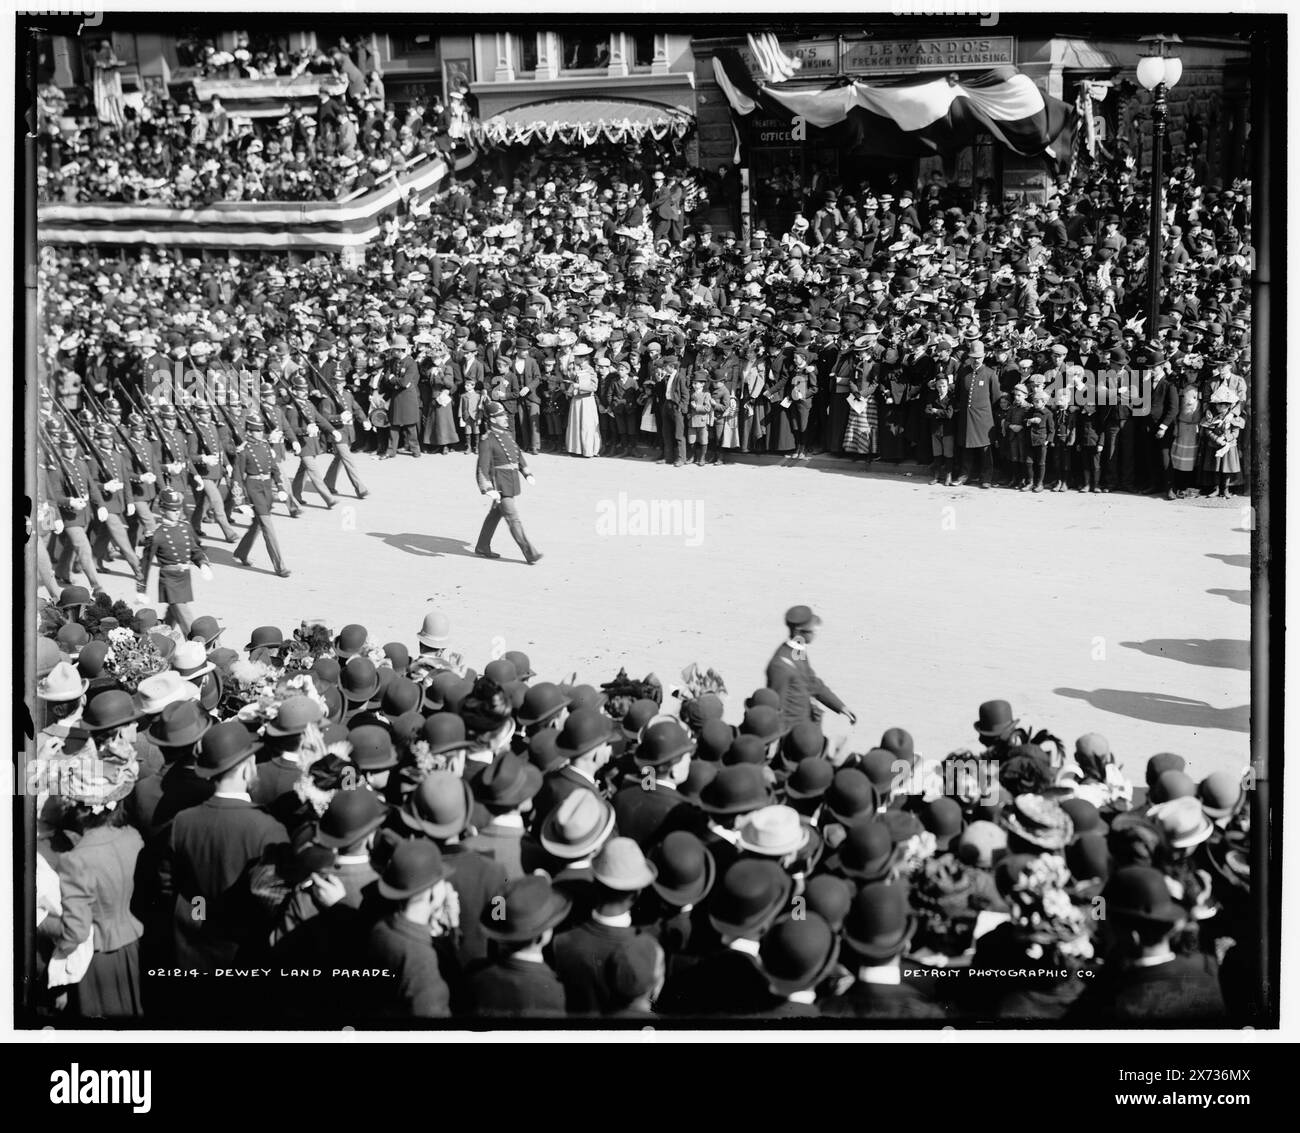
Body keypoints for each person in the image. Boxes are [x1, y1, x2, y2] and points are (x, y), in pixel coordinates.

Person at [765, 605, 856, 731]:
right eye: (814, 631)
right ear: (799, 631)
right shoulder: (780, 665)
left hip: (805, 728)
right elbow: (776, 707)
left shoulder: (797, 650)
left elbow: (811, 682)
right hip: (791, 734)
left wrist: (840, 706)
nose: (816, 635)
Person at [137, 488, 212, 636]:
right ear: (163, 510)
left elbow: (194, 549)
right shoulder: (157, 535)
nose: (177, 512)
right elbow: (144, 565)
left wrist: (203, 563)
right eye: (172, 510)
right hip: (169, 580)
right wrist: (141, 590)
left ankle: (159, 641)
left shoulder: (185, 527)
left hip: (184, 577)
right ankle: (197, 644)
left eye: (178, 509)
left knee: (172, 618)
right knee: (186, 618)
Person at [474, 401, 541, 565]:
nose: (505, 418)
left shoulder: (506, 434)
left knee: (494, 514)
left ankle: (482, 545)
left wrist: (526, 472)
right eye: (501, 416)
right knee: (513, 517)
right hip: (500, 484)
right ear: (493, 419)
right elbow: (482, 467)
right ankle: (530, 553)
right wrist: (487, 487)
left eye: (503, 415)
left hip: (511, 480)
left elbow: (517, 454)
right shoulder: (487, 439)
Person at [232, 414, 291, 578]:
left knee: (257, 525)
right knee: (268, 527)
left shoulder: (265, 446)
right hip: (254, 490)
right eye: (256, 431)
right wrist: (240, 501)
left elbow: (274, 469)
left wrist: (280, 486)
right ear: (249, 432)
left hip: (266, 489)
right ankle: (280, 566)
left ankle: (241, 552)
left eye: (261, 430)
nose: (260, 433)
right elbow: (237, 477)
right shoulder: (244, 451)